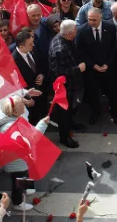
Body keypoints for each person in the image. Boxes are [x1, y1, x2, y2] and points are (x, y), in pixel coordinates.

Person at [48, 19, 83, 148]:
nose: (77, 33)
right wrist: (78, 69)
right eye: (75, 31)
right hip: (63, 87)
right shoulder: (60, 48)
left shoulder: (64, 37)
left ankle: (70, 123)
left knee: (68, 110)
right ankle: (64, 137)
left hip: (71, 84)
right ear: (69, 34)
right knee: (63, 112)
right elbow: (59, 72)